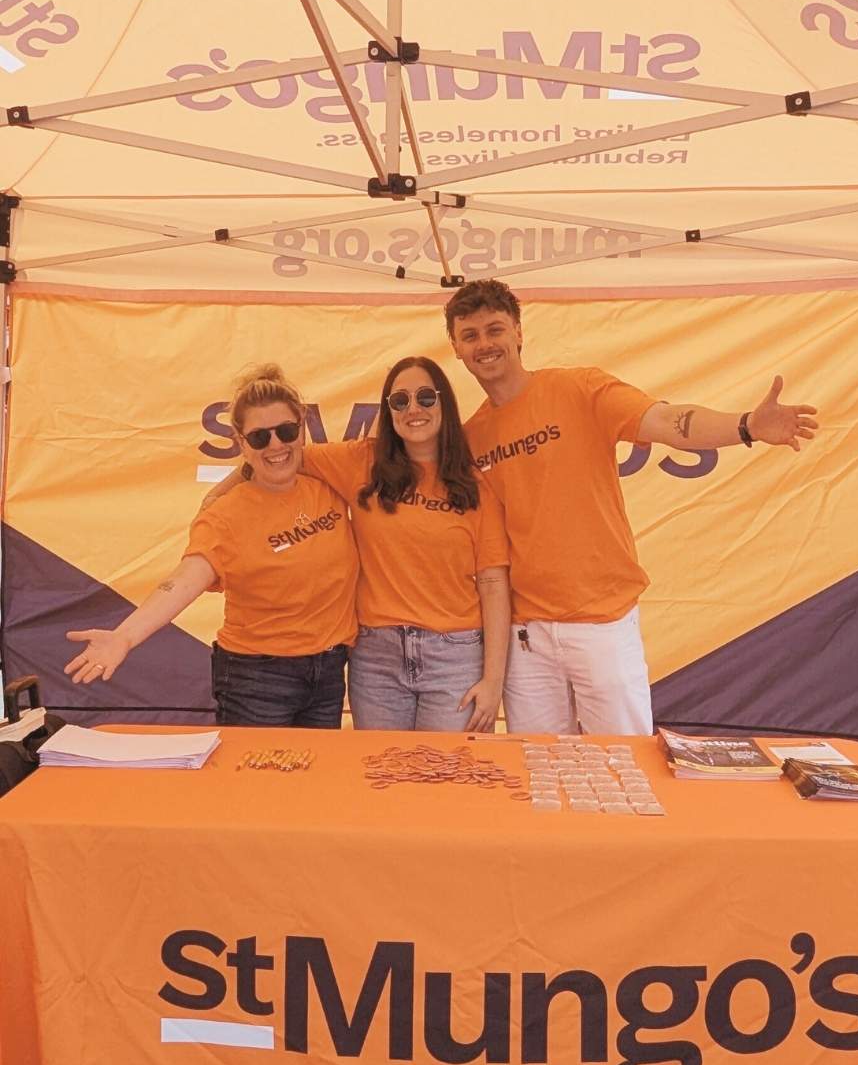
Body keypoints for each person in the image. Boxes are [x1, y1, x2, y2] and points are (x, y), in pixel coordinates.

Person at [446, 278, 819, 736]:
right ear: (456, 349)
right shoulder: (471, 438)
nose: (484, 344)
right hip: (527, 638)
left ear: (519, 333)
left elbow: (667, 422)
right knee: (539, 775)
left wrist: (745, 426)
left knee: (625, 769)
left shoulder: (579, 389)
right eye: (470, 335)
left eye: (494, 329)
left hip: (603, 626)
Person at [65, 365, 358, 727]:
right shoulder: (225, 515)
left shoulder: (328, 484)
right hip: (258, 677)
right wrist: (124, 637)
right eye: (259, 438)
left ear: (302, 428)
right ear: (240, 441)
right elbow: (184, 579)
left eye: (285, 431)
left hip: (329, 672)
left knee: (310, 779)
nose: (276, 445)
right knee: (253, 782)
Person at [282, 357, 510, 731]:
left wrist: (493, 681)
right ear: (388, 411)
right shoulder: (361, 463)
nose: (413, 409)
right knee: (380, 777)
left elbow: (493, 584)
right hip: (376, 657)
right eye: (399, 401)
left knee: (442, 780)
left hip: (455, 658)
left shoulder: (475, 487)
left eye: (425, 397)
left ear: (444, 404)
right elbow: (280, 458)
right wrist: (217, 496)